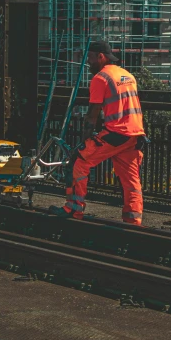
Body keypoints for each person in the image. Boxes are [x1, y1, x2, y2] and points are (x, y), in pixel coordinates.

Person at [49, 40, 146, 225]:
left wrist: (85, 139)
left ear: (101, 56)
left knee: (78, 161)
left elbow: (92, 114)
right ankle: (133, 219)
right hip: (136, 135)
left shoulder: (101, 78)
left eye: (91, 59)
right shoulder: (127, 75)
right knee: (130, 178)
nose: (88, 64)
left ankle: (73, 210)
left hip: (116, 133)